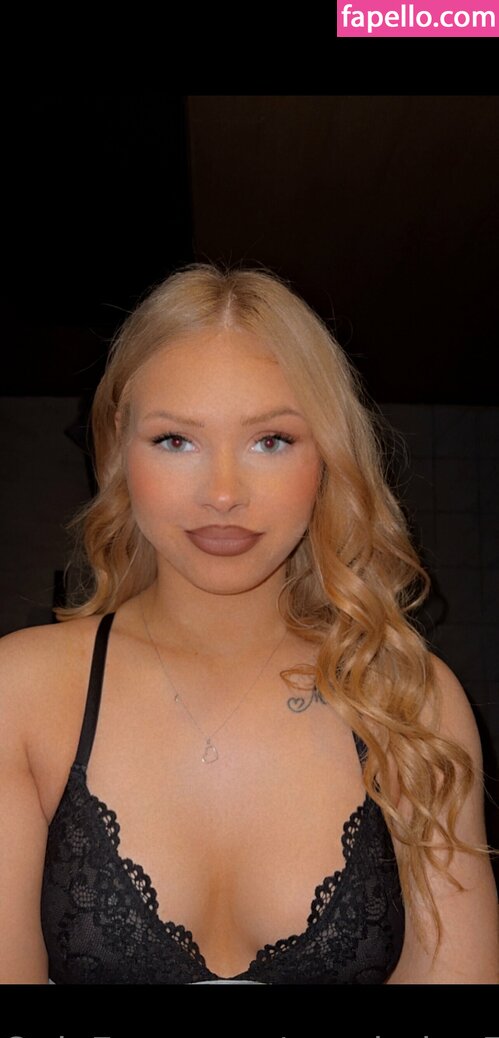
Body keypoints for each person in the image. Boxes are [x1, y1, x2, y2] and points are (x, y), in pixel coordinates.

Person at [0, 263, 497, 985]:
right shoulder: (21, 694)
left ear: (327, 455)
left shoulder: (412, 704)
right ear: (117, 449)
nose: (224, 493)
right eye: (176, 440)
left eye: (271, 440)